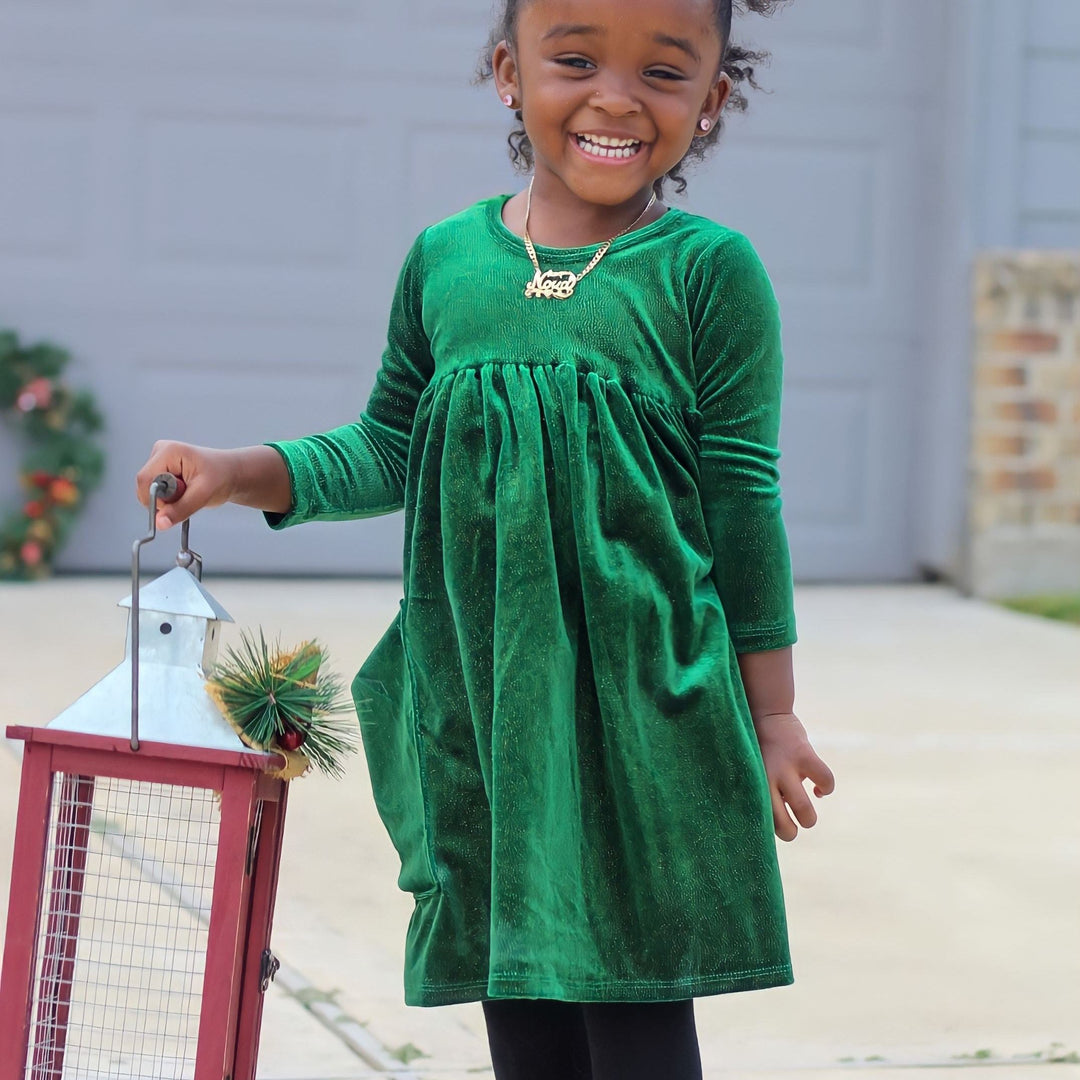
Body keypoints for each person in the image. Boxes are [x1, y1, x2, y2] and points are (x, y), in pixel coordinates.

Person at [137, 0, 836, 1075]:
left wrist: (774, 712)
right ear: (508, 75)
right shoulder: (446, 262)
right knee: (518, 993)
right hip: (484, 698)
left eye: (663, 70)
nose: (615, 96)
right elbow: (388, 446)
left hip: (648, 702)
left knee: (637, 994)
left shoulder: (708, 272)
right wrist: (238, 473)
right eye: (574, 59)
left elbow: (744, 500)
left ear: (713, 100)